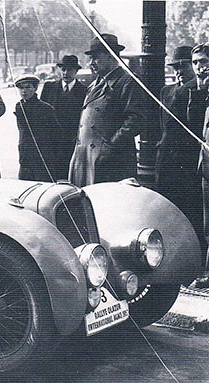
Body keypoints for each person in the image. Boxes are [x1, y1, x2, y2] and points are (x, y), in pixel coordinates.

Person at [68, 33, 147, 187]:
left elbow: (136, 120)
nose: (91, 63)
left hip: (110, 159)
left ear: (112, 57)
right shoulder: (95, 84)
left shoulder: (127, 82)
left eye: (96, 58)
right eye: (91, 58)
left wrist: (109, 146)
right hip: (85, 157)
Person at [155, 45, 204, 261]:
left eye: (184, 66)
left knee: (191, 208)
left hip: (189, 160)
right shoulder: (166, 91)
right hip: (167, 159)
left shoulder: (198, 89)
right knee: (169, 207)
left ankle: (193, 256)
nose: (179, 71)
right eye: (175, 67)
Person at [184, 43, 209, 287]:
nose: (200, 68)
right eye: (196, 63)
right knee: (208, 223)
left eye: (204, 62)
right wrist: (200, 92)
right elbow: (193, 125)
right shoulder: (202, 90)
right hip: (207, 167)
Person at [40, 55, 87, 179]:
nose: (66, 73)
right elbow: (41, 113)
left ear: (76, 71)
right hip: (51, 141)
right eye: (63, 69)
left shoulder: (84, 91)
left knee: (68, 175)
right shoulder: (49, 88)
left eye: (70, 70)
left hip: (71, 141)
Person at [14, 74, 62, 181]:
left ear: (35, 88)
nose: (24, 91)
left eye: (28, 87)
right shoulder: (19, 106)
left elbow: (57, 135)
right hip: (25, 156)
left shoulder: (46, 108)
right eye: (21, 88)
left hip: (43, 157)